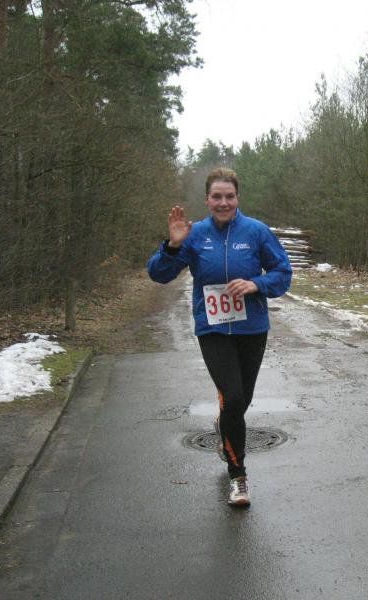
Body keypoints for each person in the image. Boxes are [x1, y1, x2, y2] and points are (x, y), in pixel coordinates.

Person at [147, 167, 292, 505]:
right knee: (233, 396)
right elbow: (159, 274)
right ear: (207, 200)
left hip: (251, 328)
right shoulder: (195, 234)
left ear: (237, 198)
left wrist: (256, 284)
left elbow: (283, 273)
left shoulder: (256, 231)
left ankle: (224, 424)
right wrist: (173, 246)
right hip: (212, 329)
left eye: (229, 196)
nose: (223, 202)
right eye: (217, 197)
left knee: (239, 401)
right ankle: (238, 476)